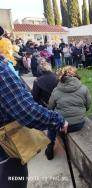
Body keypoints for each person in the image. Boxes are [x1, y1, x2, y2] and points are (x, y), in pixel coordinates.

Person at [0, 60, 68, 188]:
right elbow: (26, 110)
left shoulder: (38, 81)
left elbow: (34, 98)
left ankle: (50, 149)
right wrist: (57, 119)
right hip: (6, 147)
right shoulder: (55, 78)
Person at [46, 66, 91, 160]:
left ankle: (50, 145)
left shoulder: (56, 90)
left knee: (50, 125)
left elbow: (50, 108)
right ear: (76, 75)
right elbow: (88, 105)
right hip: (78, 123)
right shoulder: (84, 88)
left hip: (61, 125)